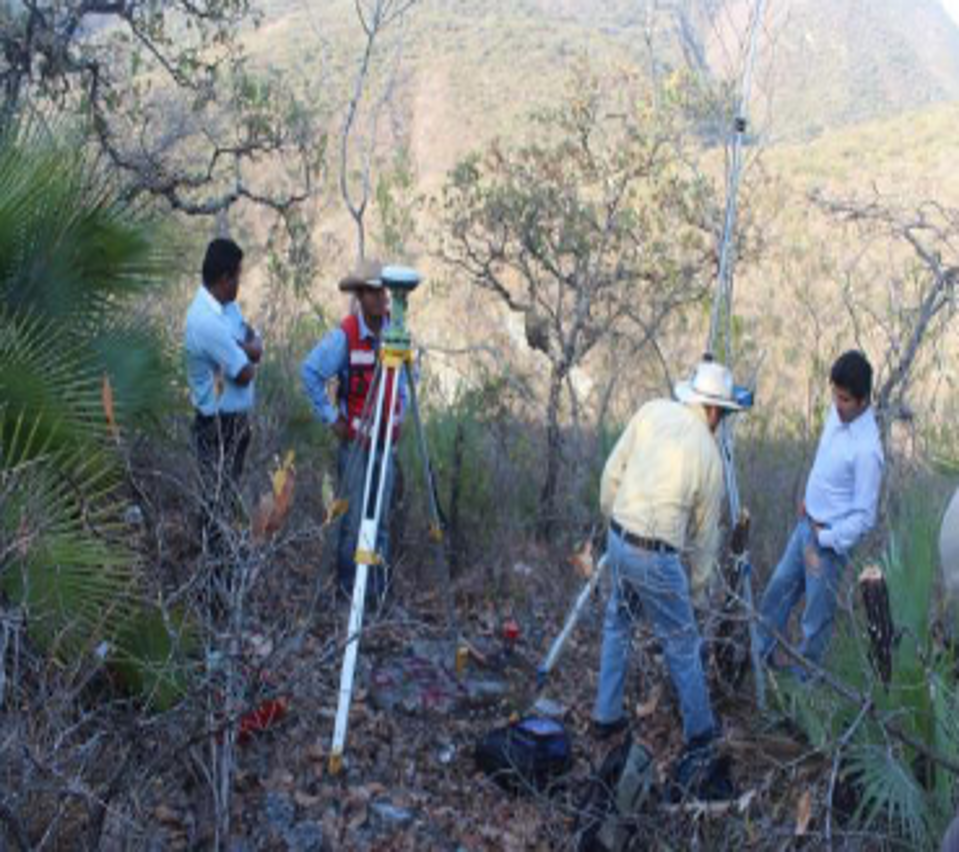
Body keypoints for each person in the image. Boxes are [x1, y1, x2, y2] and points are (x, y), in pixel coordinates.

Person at [592, 359, 743, 798]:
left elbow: (610, 476)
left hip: (620, 536)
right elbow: (703, 540)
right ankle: (700, 735)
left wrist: (614, 526)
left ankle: (605, 715)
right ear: (715, 411)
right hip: (657, 553)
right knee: (682, 642)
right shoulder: (709, 455)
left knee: (618, 622)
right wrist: (695, 591)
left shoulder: (652, 410)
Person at [758, 350, 884, 670]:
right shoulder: (837, 413)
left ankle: (804, 691)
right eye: (835, 395)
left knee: (815, 624)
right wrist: (810, 500)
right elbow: (826, 457)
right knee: (776, 594)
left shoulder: (868, 450)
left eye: (844, 399)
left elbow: (865, 517)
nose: (836, 404)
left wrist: (827, 538)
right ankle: (757, 662)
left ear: (863, 400)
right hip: (805, 524)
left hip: (827, 546)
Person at [301, 259, 406, 602]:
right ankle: (348, 597)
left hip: (386, 445)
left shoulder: (397, 332)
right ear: (360, 296)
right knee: (353, 523)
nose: (380, 299)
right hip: (357, 444)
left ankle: (378, 595)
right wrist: (333, 420)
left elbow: (407, 379)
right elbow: (311, 372)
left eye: (383, 292)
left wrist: (401, 415)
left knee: (382, 524)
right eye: (373, 292)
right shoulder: (345, 336)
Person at [184, 238, 262, 577]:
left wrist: (246, 348)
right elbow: (245, 372)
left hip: (235, 424)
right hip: (217, 426)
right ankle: (212, 587)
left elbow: (252, 338)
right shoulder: (205, 321)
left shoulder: (226, 308)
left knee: (227, 503)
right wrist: (248, 353)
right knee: (216, 508)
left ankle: (222, 581)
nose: (240, 284)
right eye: (238, 277)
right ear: (224, 279)